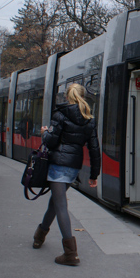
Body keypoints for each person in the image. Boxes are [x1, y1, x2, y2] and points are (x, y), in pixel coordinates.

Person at [32, 83, 101, 266]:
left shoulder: (60, 114)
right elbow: (94, 149)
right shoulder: (89, 119)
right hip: (73, 167)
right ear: (83, 96)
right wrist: (94, 175)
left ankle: (70, 254)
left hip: (57, 166)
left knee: (60, 205)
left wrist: (45, 133)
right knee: (54, 203)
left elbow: (51, 142)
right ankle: (39, 236)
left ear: (67, 96)